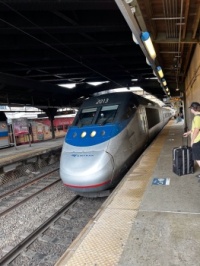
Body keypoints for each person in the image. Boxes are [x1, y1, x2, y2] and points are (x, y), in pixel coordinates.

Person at [183, 102, 200, 177]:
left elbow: (196, 130)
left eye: (191, 108)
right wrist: (189, 132)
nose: (190, 110)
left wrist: (192, 141)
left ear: (193, 109)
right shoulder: (198, 117)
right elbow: (194, 128)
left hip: (197, 141)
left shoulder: (197, 117)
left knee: (198, 159)